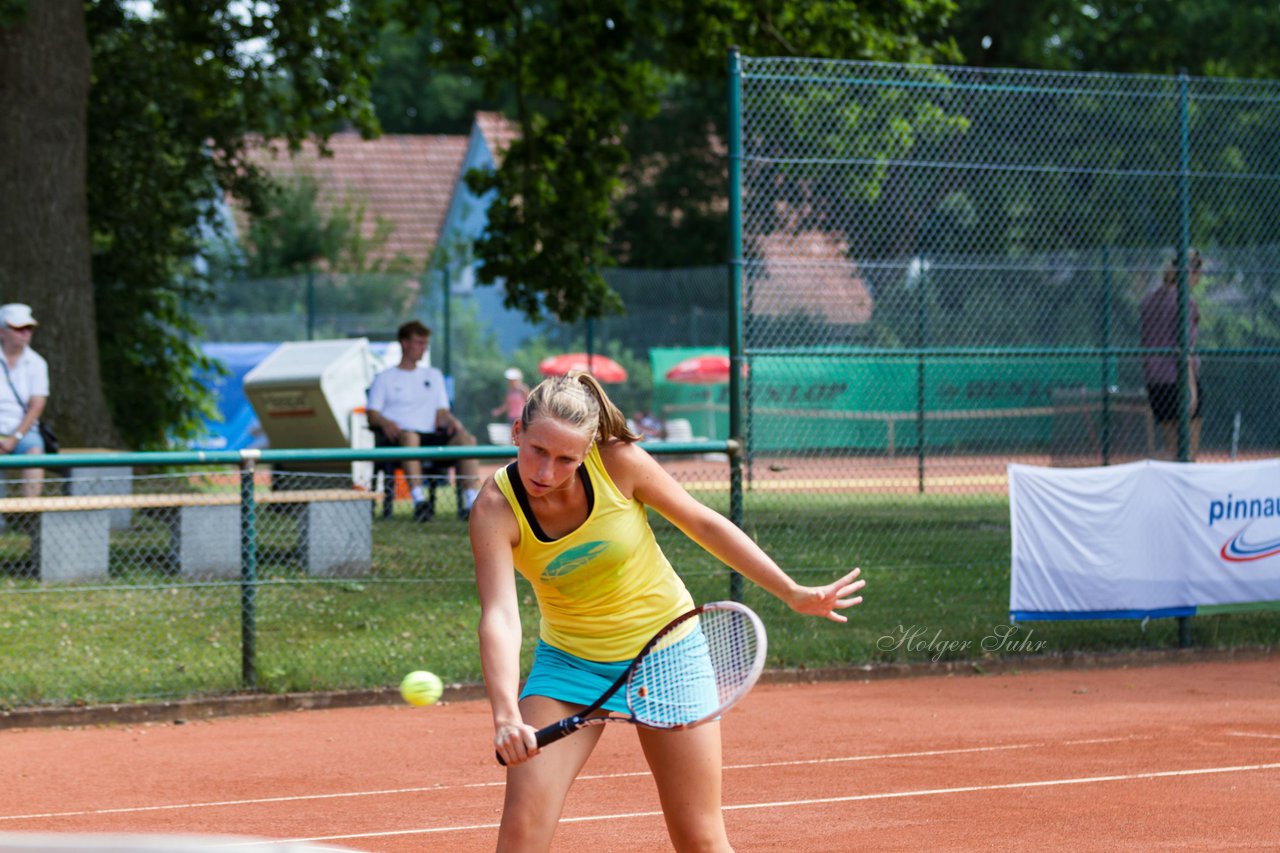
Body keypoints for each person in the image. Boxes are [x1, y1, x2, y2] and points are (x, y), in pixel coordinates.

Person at [469, 370, 865, 851]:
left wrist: (790, 590)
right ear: (517, 432)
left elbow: (701, 521)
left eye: (565, 459)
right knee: (521, 835)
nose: (546, 472)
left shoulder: (619, 464)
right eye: (537, 451)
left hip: (666, 656)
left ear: (589, 449)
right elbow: (501, 616)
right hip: (569, 664)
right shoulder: (495, 507)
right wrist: (507, 713)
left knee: (699, 838)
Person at [367, 320, 480, 520]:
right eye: (419, 343)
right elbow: (372, 414)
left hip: (432, 437)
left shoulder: (433, 375)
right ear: (404, 343)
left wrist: (452, 421)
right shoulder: (384, 378)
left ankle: (473, 503)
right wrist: (386, 423)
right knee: (410, 437)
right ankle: (420, 501)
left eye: (426, 343)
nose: (424, 348)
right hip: (399, 440)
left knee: (466, 440)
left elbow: (442, 411)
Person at [1140, 250, 1203, 460]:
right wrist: (1191, 386)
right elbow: (1184, 348)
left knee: (1171, 447)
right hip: (1178, 381)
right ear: (1191, 273)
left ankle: (1149, 469)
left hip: (1156, 382)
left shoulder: (1149, 301)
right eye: (1198, 274)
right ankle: (1144, 472)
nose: (1198, 280)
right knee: (1187, 453)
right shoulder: (1185, 302)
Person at [0, 303, 49, 498]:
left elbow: (36, 406)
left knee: (34, 450)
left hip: (23, 432)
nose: (25, 333)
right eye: (19, 328)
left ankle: (29, 515)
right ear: (2, 332)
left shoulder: (37, 363)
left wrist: (14, 439)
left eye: (28, 328)